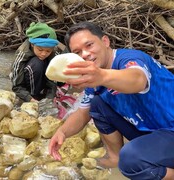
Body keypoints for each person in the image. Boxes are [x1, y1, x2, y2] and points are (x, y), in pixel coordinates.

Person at [48, 21, 174, 180]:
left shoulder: (129, 58)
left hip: (171, 127)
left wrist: (102, 76)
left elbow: (137, 79)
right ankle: (115, 157)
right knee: (97, 104)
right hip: (153, 130)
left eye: (89, 45)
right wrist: (61, 132)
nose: (85, 54)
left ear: (105, 41)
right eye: (78, 52)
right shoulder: (93, 79)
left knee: (131, 161)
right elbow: (82, 113)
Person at [10, 22, 65, 102]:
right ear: (32, 44)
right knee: (37, 63)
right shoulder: (22, 53)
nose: (43, 54)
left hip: (44, 77)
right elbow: (16, 86)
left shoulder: (55, 53)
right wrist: (30, 99)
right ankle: (34, 95)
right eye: (40, 50)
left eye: (48, 51)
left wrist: (50, 98)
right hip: (29, 79)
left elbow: (54, 80)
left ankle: (45, 94)